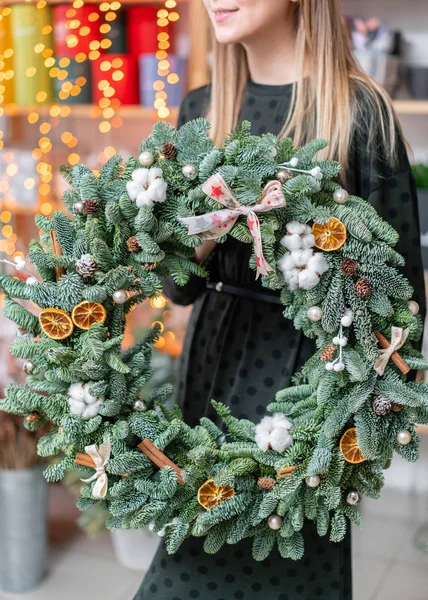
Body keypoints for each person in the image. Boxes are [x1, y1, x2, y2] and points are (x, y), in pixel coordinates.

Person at [133, 1, 426, 598]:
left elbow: (405, 304)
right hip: (212, 363)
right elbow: (179, 286)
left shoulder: (357, 112)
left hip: (307, 386)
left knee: (286, 568)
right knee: (195, 548)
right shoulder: (202, 110)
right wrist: (213, 227)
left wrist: (346, 417)